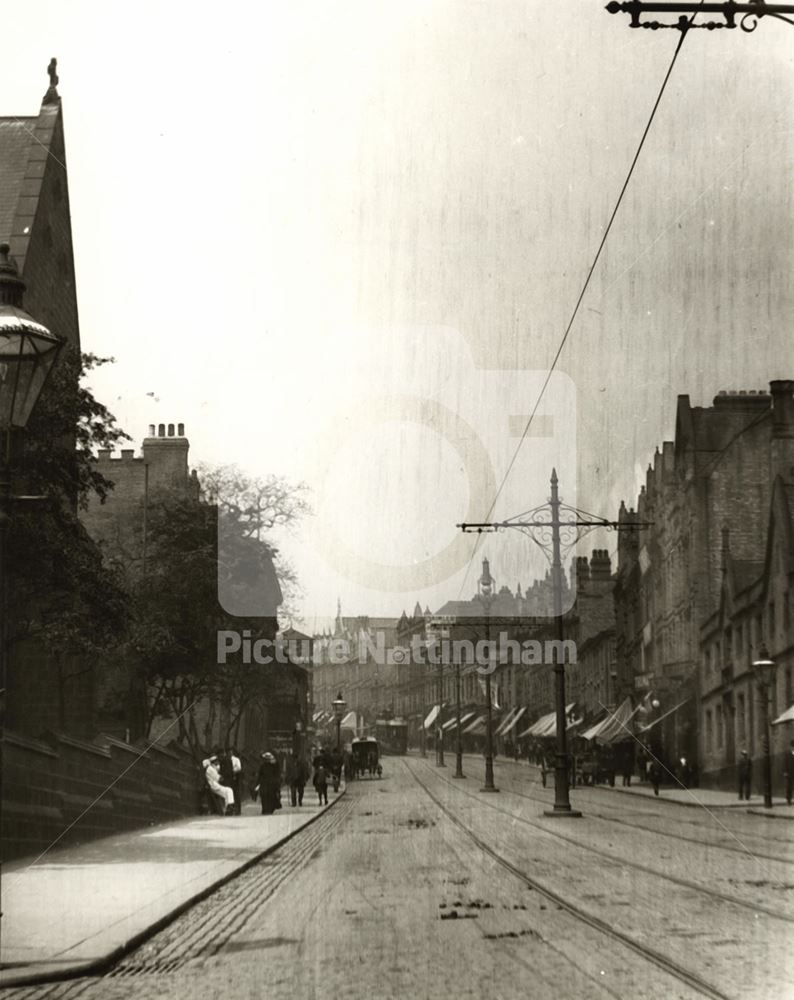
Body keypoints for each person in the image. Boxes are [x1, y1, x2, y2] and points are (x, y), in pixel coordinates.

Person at [229, 747, 243, 815]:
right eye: (229, 752)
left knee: (236, 793)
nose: (230, 753)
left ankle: (238, 810)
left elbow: (239, 768)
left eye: (231, 752)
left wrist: (233, 770)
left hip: (235, 778)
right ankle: (232, 809)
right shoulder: (226, 759)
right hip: (229, 778)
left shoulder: (236, 759)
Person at [786, 741, 794, 806]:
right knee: (789, 787)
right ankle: (789, 799)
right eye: (792, 747)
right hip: (790, 773)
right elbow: (784, 763)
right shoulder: (788, 754)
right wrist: (785, 772)